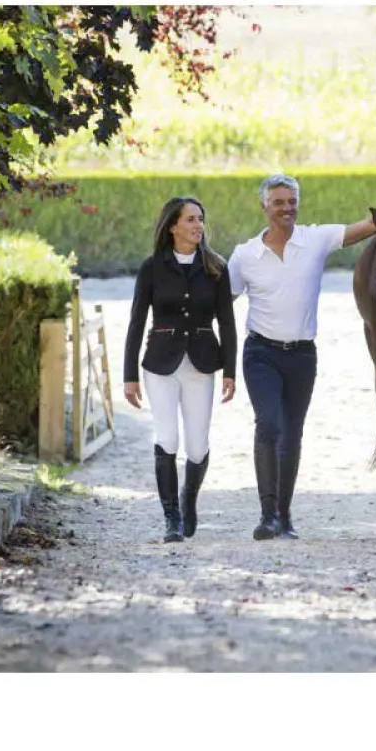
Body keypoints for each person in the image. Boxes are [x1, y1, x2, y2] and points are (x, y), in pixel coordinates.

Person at [228, 174, 376, 541]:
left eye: (292, 201)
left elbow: (368, 227)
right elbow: (220, 299)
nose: (287, 208)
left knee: (292, 433)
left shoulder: (315, 239)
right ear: (264, 206)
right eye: (279, 202)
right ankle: (268, 516)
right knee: (269, 425)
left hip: (301, 355)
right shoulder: (245, 255)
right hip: (260, 352)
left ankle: (284, 517)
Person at [123, 196, 237, 543]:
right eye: (190, 219)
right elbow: (136, 321)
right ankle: (171, 517)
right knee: (168, 437)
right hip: (160, 364)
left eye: (200, 219)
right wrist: (129, 375)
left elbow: (228, 323)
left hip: (202, 363)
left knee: (198, 447)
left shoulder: (216, 267)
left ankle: (189, 498)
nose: (198, 225)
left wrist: (230, 371)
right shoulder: (152, 267)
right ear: (173, 226)